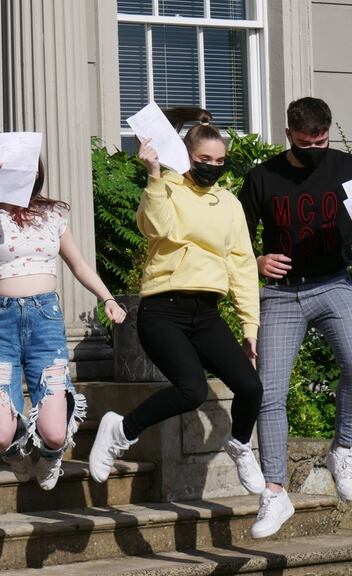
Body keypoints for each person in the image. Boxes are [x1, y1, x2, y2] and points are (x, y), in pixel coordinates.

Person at [88, 107, 265, 498]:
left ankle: (238, 443)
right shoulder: (167, 186)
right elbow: (157, 228)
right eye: (204, 160)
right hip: (162, 308)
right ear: (187, 155)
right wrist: (153, 176)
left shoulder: (229, 204)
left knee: (250, 387)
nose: (212, 167)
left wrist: (249, 328)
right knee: (193, 390)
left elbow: (241, 267)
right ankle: (121, 429)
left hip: (205, 313)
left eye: (220, 161)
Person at [0, 151, 127, 490]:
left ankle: (51, 456)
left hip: (44, 319)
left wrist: (107, 297)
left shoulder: (51, 215)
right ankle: (14, 453)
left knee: (53, 432)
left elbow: (79, 265)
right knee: (0, 435)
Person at [241, 97, 352, 539]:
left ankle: (343, 448)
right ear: (289, 134)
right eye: (306, 143)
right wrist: (255, 261)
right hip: (280, 295)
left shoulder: (347, 167)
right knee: (269, 392)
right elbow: (231, 241)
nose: (315, 150)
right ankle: (274, 492)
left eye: (322, 141)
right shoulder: (262, 178)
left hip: (334, 283)